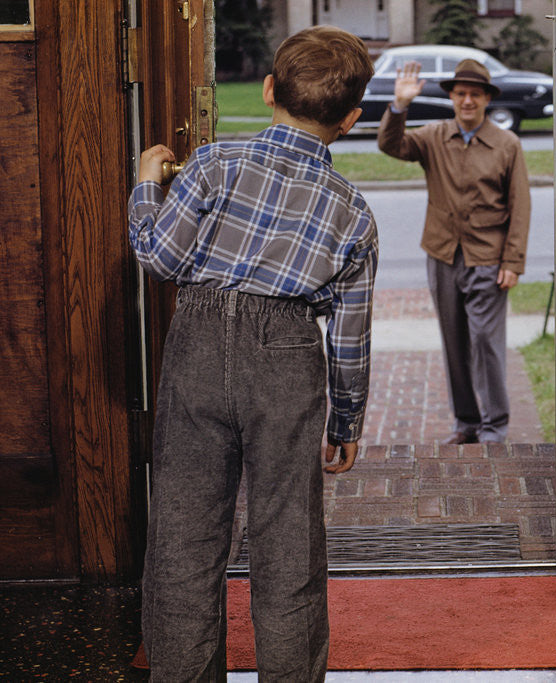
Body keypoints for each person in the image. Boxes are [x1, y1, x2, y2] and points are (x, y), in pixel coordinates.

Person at [127, 26, 376, 681]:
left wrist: (146, 186)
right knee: (288, 534)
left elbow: (159, 257)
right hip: (289, 352)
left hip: (200, 342)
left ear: (268, 90)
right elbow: (350, 335)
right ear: (351, 121)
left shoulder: (211, 166)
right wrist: (345, 421)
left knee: (184, 530)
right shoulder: (354, 213)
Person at [377, 58, 530, 444]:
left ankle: (495, 426)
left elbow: (520, 206)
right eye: (460, 93)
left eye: (474, 94)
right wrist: (399, 106)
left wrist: (512, 262)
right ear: (451, 96)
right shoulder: (433, 136)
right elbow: (391, 145)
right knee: (454, 341)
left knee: (485, 342)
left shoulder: (507, 144)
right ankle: (467, 423)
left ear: (486, 99)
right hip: (443, 254)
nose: (467, 100)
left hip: (488, 258)